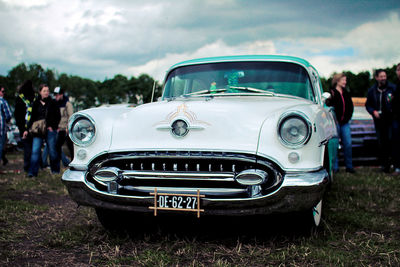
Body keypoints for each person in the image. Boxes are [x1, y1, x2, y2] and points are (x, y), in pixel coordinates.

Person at [366, 69, 396, 173]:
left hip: (390, 120)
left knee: (391, 141)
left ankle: (393, 164)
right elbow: (368, 104)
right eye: (381, 76)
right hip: (378, 121)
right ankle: (384, 165)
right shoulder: (372, 90)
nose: (383, 78)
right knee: (381, 143)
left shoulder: (392, 88)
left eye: (385, 76)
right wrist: (373, 111)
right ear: (377, 78)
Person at [27, 84, 60, 177]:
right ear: (40, 92)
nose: (46, 93)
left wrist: (53, 126)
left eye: (47, 91)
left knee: (52, 150)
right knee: (35, 151)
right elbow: (32, 117)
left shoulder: (53, 102)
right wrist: (28, 129)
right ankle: (32, 172)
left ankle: (55, 170)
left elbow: (57, 116)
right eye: (44, 91)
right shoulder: (36, 103)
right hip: (38, 130)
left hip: (49, 129)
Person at [326, 73, 355, 173]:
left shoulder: (346, 92)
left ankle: (349, 166)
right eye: (343, 80)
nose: (345, 82)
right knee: (334, 145)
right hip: (335, 123)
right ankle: (335, 167)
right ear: (338, 80)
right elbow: (328, 107)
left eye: (345, 80)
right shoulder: (332, 93)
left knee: (348, 144)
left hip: (345, 123)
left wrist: (348, 117)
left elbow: (350, 106)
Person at [15, 80, 36, 172]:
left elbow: (17, 116)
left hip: (23, 127)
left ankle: (27, 167)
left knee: (27, 149)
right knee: (32, 149)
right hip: (33, 127)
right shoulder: (35, 98)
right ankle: (32, 166)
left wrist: (22, 129)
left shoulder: (20, 98)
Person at [54, 86, 73, 169]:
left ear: (61, 94)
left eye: (57, 94)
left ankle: (72, 162)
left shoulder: (67, 103)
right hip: (59, 128)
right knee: (57, 146)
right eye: (55, 95)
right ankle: (64, 162)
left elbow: (71, 115)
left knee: (70, 147)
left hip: (66, 129)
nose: (56, 96)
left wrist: (68, 127)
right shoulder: (55, 103)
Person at [0, 85, 12, 166]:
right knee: (1, 146)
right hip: (1, 128)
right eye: (3, 91)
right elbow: (8, 115)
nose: (4, 93)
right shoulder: (2, 101)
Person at [391, 63, 400, 173]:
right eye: (398, 70)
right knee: (396, 142)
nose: (398, 72)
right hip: (396, 118)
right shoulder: (396, 85)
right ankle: (397, 166)